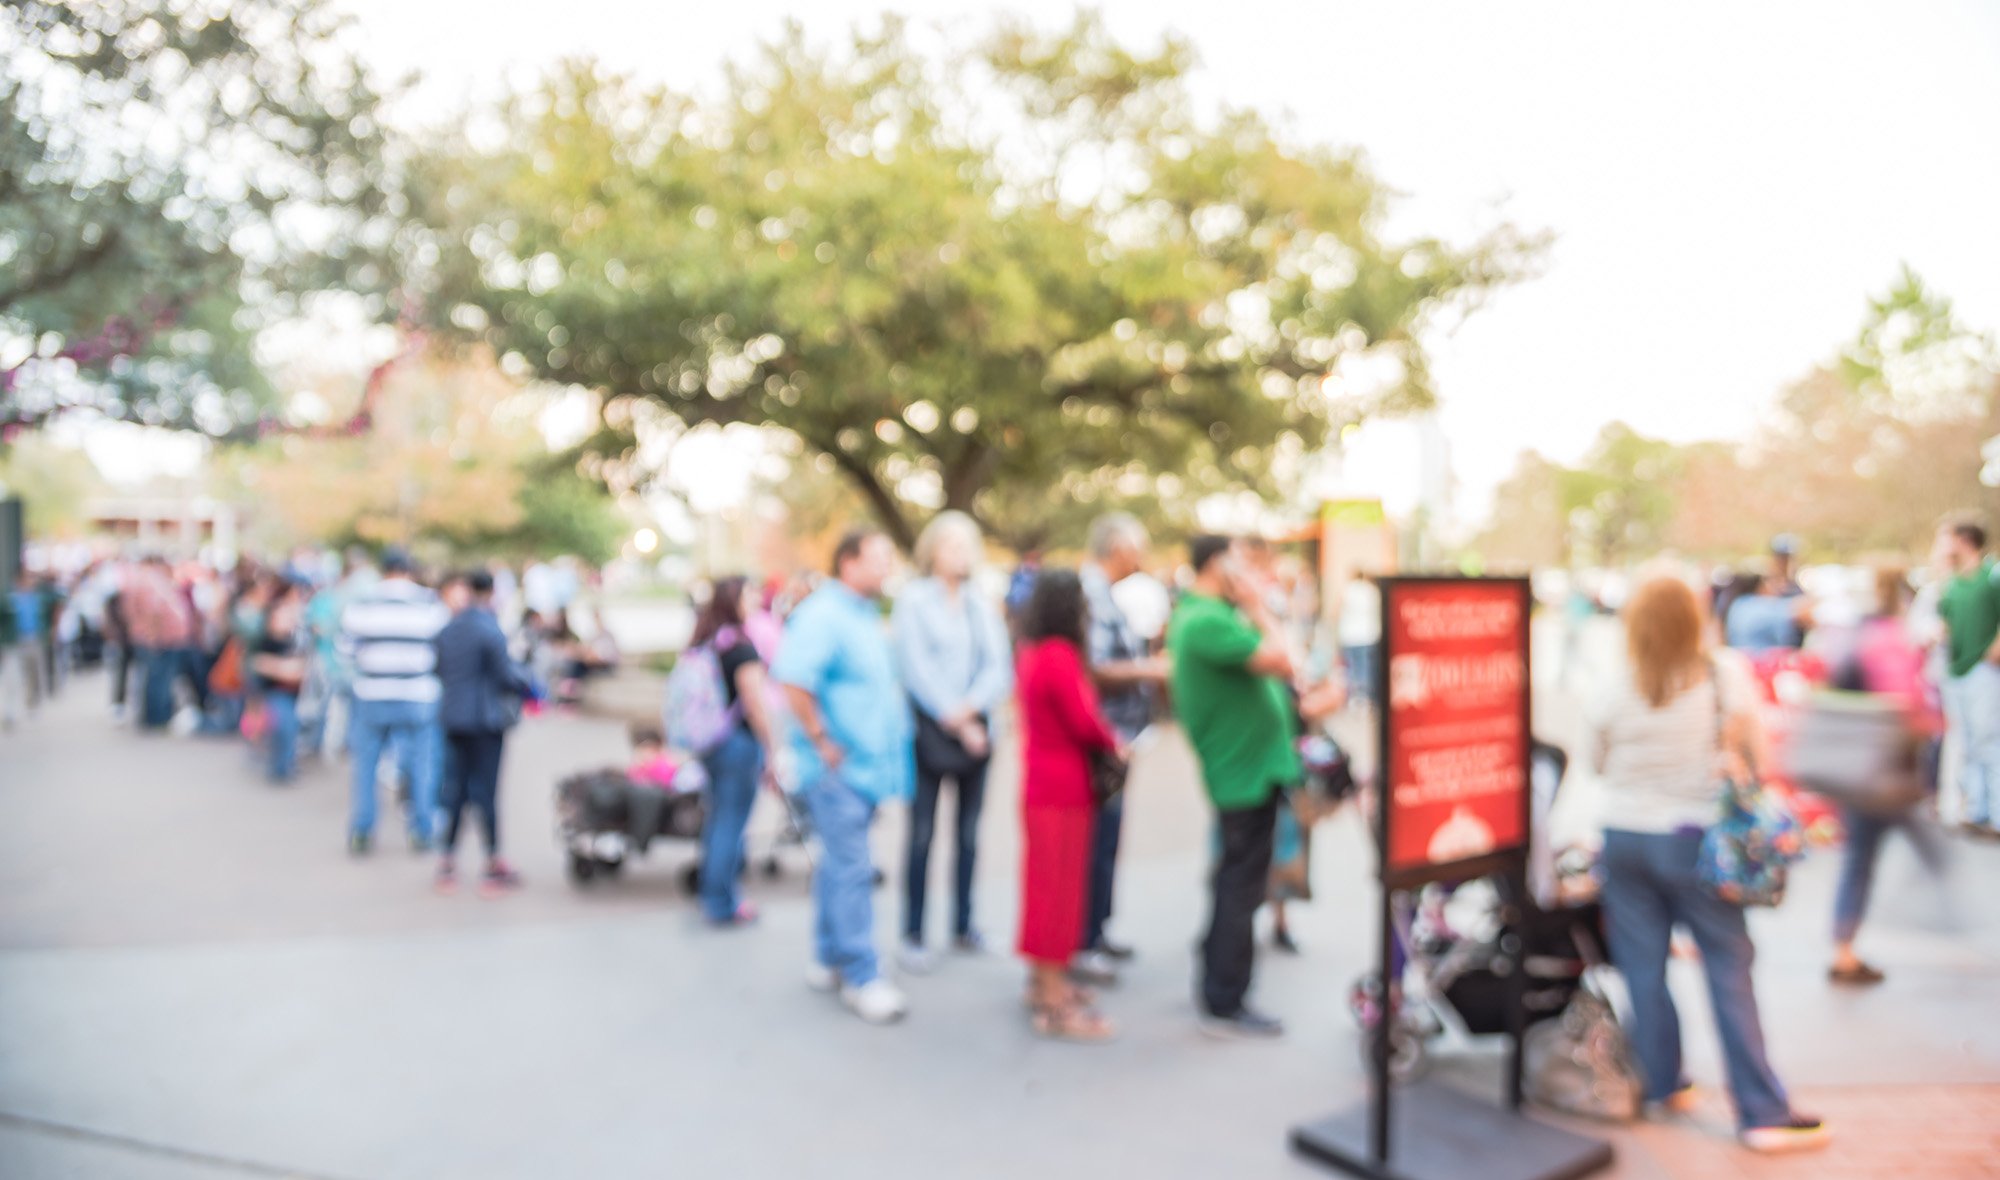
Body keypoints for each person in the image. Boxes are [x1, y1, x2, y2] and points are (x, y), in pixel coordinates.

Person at [1589, 574, 1827, 1154]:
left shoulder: (1616, 686)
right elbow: (1760, 758)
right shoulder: (1724, 676)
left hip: (1622, 837)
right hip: (1697, 840)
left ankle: (1660, 1082)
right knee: (1727, 963)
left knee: (1643, 967)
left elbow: (1597, 762)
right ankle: (1761, 1110)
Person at [772, 529, 915, 1025]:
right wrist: (821, 738)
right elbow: (793, 679)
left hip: (864, 766)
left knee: (840, 865)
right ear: (848, 563)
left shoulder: (860, 614)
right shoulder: (825, 615)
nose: (886, 567)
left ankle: (829, 953)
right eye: (878, 558)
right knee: (853, 868)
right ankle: (862, 974)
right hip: (839, 769)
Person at [1167, 535, 1299, 1039]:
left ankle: (1220, 979)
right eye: (1239, 560)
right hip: (1242, 771)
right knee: (1240, 886)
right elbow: (1284, 657)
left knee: (1237, 880)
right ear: (1218, 564)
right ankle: (1225, 997)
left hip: (1250, 767)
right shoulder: (1207, 619)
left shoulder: (1207, 615)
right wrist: (1256, 605)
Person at [891, 511, 1011, 970]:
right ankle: (914, 931)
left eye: (967, 546)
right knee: (921, 834)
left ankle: (964, 924)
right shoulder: (914, 600)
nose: (961, 555)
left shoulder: (980, 603)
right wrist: (958, 719)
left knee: (968, 835)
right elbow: (916, 668)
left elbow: (997, 666)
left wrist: (972, 710)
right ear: (933, 551)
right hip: (932, 733)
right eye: (952, 546)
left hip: (976, 732)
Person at [1826, 567, 1952, 984]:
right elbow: (1907, 706)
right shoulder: (1891, 643)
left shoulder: (1851, 638)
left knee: (1862, 858)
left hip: (1854, 768)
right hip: (1884, 771)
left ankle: (1844, 944)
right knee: (1922, 849)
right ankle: (1919, 918)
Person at [1016, 568, 1124, 1042]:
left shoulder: (1033, 651)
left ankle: (1043, 983)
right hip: (1063, 787)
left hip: (1042, 782)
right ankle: (1055, 999)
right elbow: (1085, 721)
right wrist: (1115, 740)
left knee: (1043, 886)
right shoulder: (1060, 656)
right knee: (1060, 892)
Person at [1074, 513, 1170, 985]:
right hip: (1104, 741)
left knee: (1107, 842)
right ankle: (1086, 938)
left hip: (1118, 738)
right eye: (1138, 546)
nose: (1143, 555)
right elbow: (1095, 669)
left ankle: (1097, 930)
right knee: (1097, 842)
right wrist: (1148, 670)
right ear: (1117, 547)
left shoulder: (1104, 595)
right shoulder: (1093, 595)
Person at [340, 547, 450, 856]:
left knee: (366, 766)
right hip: (418, 694)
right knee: (422, 765)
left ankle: (362, 830)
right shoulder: (429, 603)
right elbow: (442, 650)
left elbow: (346, 650)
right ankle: (422, 829)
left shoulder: (362, 603)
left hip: (372, 692)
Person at [687, 575, 783, 927]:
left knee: (718, 818)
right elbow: (755, 704)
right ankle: (721, 901)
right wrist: (772, 749)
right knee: (731, 822)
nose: (756, 600)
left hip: (711, 742)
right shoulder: (742, 647)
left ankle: (713, 892)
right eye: (750, 594)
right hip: (737, 744)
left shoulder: (711, 641)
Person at [432, 570, 533, 894]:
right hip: (485, 722)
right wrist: (527, 683)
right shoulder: (490, 629)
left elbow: (439, 669)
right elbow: (506, 677)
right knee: (486, 792)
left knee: (454, 789)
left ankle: (447, 859)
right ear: (491, 592)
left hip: (453, 718)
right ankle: (492, 862)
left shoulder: (449, 629)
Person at [1933, 519, 2000, 838]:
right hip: (1956, 669)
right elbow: (1945, 621)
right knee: (1969, 741)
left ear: (1964, 540)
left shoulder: (1992, 576)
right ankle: (1976, 809)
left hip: (1982, 668)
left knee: (1989, 740)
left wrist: (1994, 650)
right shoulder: (1954, 582)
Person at [251, 580, 310, 784]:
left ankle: (284, 766)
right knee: (282, 727)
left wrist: (282, 668)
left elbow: (301, 669)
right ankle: (279, 768)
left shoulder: (295, 639)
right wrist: (283, 668)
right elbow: (259, 664)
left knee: (289, 729)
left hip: (292, 693)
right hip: (273, 692)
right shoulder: (265, 641)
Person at [1339, 571, 1381, 706]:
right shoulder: (1372, 591)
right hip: (1368, 635)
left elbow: (1337, 609)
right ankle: (1365, 697)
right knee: (1365, 668)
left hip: (1349, 635)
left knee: (1351, 668)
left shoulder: (1348, 589)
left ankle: (1354, 697)